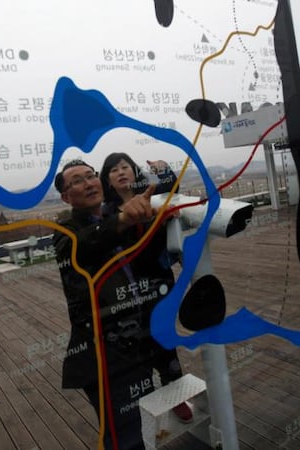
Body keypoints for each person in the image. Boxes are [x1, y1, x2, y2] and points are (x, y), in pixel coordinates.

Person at [52, 159, 189, 450]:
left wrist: (159, 221)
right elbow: (88, 242)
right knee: (124, 436)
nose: (88, 183)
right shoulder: (66, 231)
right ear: (65, 197)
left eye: (90, 176)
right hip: (104, 354)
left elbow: (146, 255)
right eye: (77, 181)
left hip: (136, 344)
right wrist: (124, 219)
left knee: (140, 425)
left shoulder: (115, 217)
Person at [99, 153, 190, 402]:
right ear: (108, 181)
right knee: (136, 343)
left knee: (164, 338)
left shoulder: (155, 197)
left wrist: (164, 169)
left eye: (125, 167)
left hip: (159, 281)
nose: (120, 172)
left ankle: (176, 394)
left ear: (135, 171)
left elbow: (172, 187)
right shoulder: (107, 213)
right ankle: (144, 395)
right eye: (114, 170)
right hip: (127, 289)